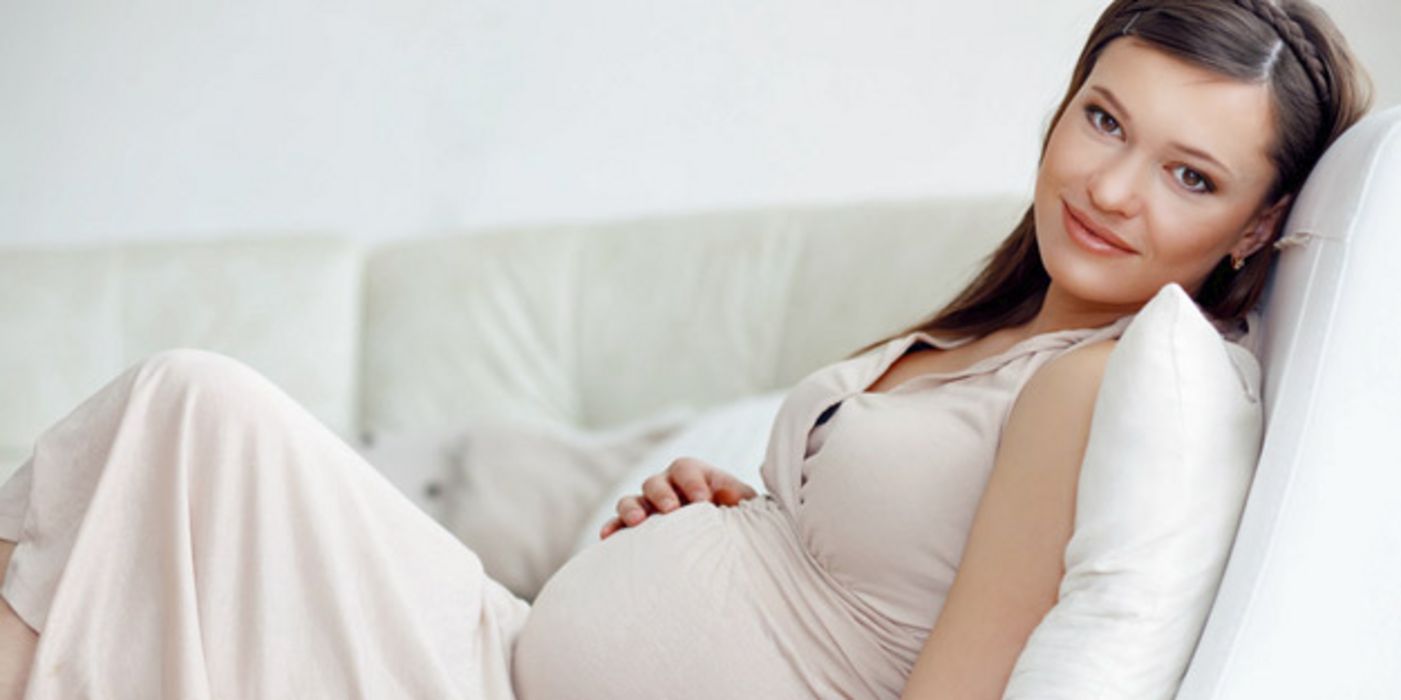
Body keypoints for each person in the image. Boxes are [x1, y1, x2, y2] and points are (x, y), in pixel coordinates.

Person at [0, 0, 1374, 698]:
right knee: (190, 424)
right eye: (1103, 120)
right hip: (520, 648)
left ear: (1258, 225)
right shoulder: (1006, 327)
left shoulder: (1091, 385)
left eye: (1190, 177)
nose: (1114, 188)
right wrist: (736, 526)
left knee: (190, 422)